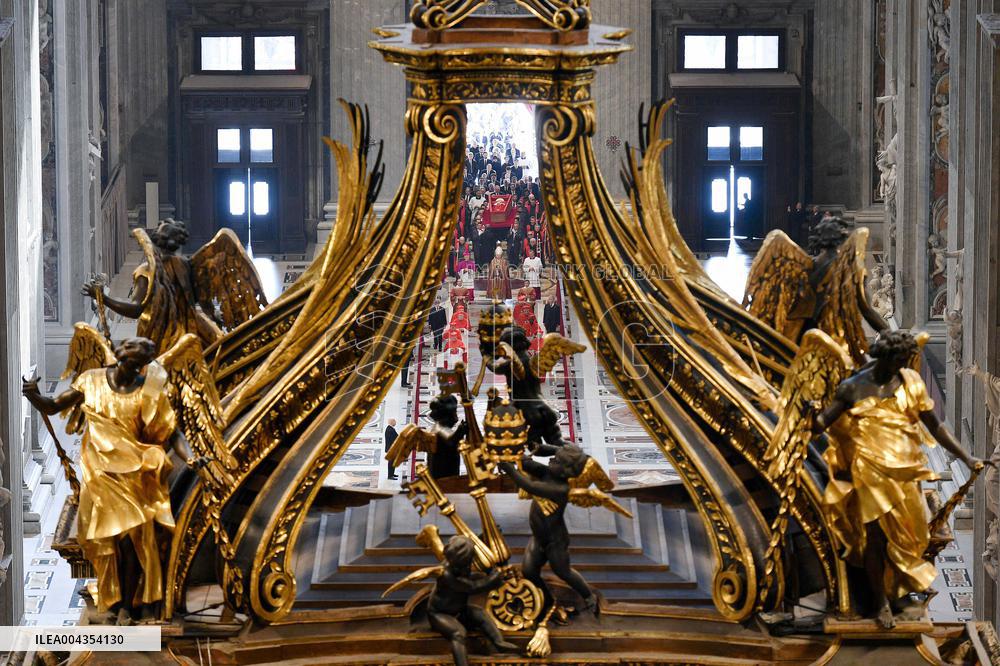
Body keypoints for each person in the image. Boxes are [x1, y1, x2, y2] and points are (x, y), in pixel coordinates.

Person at [21, 337, 201, 625]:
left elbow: (173, 433)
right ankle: (114, 601)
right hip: (101, 477)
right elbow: (54, 405)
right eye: (131, 358)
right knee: (108, 542)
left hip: (135, 477)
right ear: (121, 358)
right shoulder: (91, 380)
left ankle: (127, 606)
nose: (136, 368)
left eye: (139, 364)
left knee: (132, 543)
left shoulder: (149, 393)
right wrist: (33, 396)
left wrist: (190, 458)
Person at [813, 330, 985, 628]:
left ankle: (899, 590)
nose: (906, 364)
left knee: (913, 535)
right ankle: (881, 603)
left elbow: (937, 426)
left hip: (906, 471)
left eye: (908, 359)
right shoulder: (853, 387)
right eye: (902, 359)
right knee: (875, 539)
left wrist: (966, 457)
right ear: (887, 357)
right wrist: (806, 416)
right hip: (868, 472)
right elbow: (823, 422)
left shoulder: (912, 382)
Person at [498, 445, 600, 617]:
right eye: (554, 457)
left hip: (555, 542)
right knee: (529, 571)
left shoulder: (560, 489)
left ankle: (589, 596)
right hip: (539, 538)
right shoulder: (547, 473)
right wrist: (512, 450)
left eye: (557, 460)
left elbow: (528, 485)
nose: (552, 459)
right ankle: (546, 599)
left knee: (563, 571)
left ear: (565, 472)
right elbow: (527, 463)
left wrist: (509, 470)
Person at [426, 536, 519, 666]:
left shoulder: (460, 566)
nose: (469, 567)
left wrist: (485, 539)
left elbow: (472, 579)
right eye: (467, 564)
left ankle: (499, 642)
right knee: (458, 633)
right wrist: (494, 578)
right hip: (440, 614)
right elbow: (472, 587)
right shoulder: (447, 575)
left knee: (480, 613)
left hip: (460, 610)